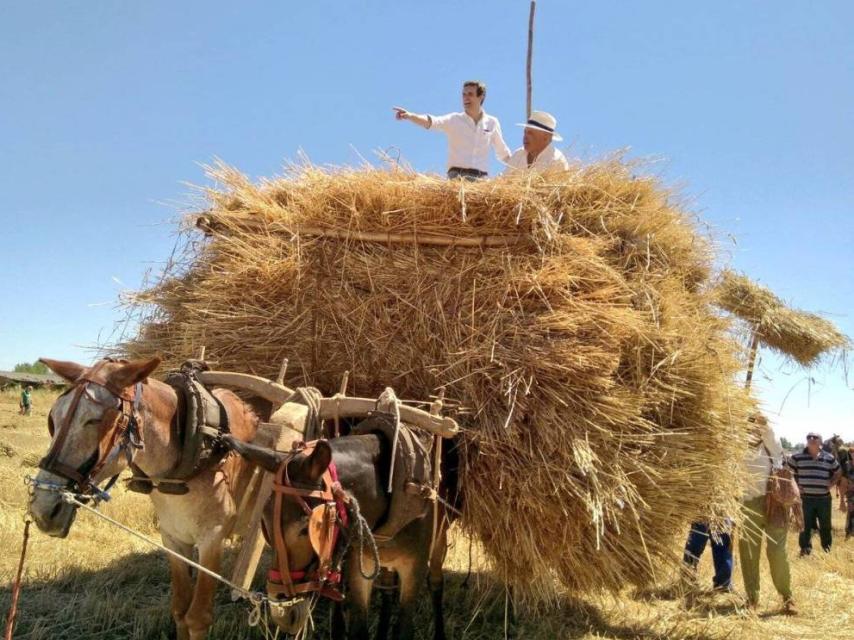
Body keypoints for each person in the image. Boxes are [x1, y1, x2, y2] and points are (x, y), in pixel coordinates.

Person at [393, 80, 511, 180]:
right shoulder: (454, 120)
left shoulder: (492, 122)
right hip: (457, 179)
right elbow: (432, 122)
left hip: (481, 181)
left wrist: (522, 169)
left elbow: (503, 153)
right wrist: (410, 116)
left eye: (470, 94)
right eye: (463, 94)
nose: (466, 98)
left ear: (481, 97)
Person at [739, 414, 795, 613]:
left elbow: (770, 436)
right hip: (746, 504)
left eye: (753, 423)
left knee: (777, 551)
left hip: (773, 502)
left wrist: (758, 418)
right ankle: (752, 599)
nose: (750, 427)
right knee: (749, 553)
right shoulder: (735, 444)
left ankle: (787, 598)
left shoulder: (768, 440)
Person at [787, 431, 842, 555]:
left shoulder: (829, 457)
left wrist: (832, 483)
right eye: (809, 437)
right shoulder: (797, 457)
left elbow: (838, 472)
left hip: (824, 499)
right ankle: (805, 549)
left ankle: (826, 550)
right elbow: (787, 472)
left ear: (820, 441)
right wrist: (795, 485)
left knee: (825, 525)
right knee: (804, 526)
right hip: (805, 499)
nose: (811, 439)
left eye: (815, 437)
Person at [504, 111, 570, 172]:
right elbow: (503, 181)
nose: (525, 136)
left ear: (546, 137)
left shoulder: (556, 161)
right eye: (525, 132)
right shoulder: (517, 155)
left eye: (530, 133)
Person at [681, 519, 733, 591]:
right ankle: (723, 585)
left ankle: (687, 581)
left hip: (704, 513)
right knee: (722, 548)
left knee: (694, 545)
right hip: (719, 513)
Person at [844, 447, 854, 540]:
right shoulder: (847, 465)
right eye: (851, 452)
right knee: (850, 511)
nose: (853, 454)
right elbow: (844, 479)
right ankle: (848, 532)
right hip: (850, 492)